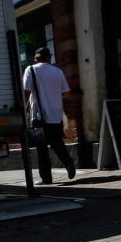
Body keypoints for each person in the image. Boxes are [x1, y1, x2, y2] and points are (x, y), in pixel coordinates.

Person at [22, 47, 75, 185]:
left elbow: (26, 92)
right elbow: (66, 93)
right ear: (48, 58)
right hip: (56, 115)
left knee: (42, 148)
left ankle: (46, 178)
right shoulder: (58, 71)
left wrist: (23, 109)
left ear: (36, 58)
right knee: (57, 142)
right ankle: (69, 162)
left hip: (39, 116)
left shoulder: (31, 70)